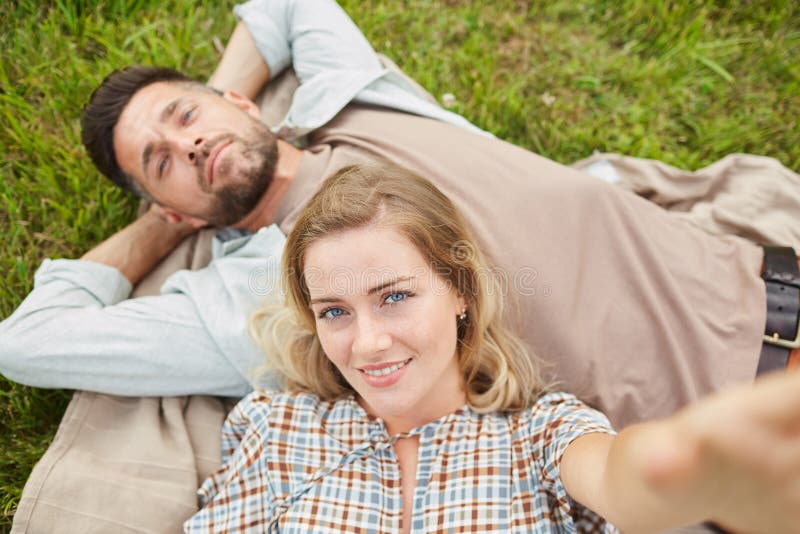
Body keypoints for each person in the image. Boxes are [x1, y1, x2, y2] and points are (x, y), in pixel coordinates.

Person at [1, 0, 798, 430]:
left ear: (235, 97)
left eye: (184, 114)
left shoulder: (350, 98)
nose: (191, 143)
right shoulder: (250, 299)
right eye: (160, 163)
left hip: (768, 289)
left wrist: (208, 120)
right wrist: (163, 225)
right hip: (737, 433)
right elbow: (25, 344)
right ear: (170, 210)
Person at [185, 163, 800, 533]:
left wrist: (680, 463)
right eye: (335, 312)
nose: (368, 343)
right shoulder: (275, 429)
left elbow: (619, 475)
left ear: (458, 290)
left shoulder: (538, 433)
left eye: (395, 296)